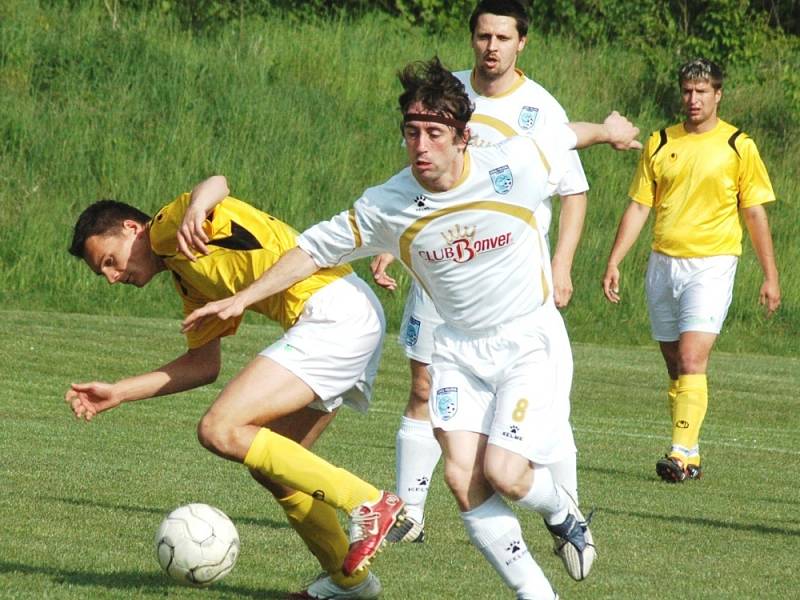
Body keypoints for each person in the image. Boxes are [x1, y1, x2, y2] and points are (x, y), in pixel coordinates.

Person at [180, 58, 641, 598]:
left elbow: (566, 136)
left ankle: (562, 511)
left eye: (435, 133)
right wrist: (241, 298)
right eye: (412, 132)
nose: (421, 146)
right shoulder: (387, 205)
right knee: (462, 479)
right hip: (458, 351)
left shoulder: (513, 164)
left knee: (508, 473)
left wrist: (609, 132)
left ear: (463, 137)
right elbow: (308, 249)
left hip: (528, 342)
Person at [64, 179, 407, 600]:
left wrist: (194, 210)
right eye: (104, 273)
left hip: (332, 312)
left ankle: (368, 502)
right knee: (274, 468)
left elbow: (217, 184)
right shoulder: (188, 279)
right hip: (346, 311)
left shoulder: (166, 229)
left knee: (219, 428)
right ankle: (350, 583)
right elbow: (202, 366)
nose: (113, 277)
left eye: (110, 261)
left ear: (134, 229)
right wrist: (119, 392)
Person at [370, 0, 589, 542]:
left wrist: (561, 263)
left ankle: (565, 508)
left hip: (507, 274)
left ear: (522, 44)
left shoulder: (539, 107)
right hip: (442, 264)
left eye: (503, 37)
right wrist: (393, 240)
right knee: (422, 383)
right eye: (483, 36)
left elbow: (573, 190)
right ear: (472, 39)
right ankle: (411, 512)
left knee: (538, 405)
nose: (492, 46)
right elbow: (424, 163)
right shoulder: (450, 95)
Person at [602, 58, 780, 483]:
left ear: (718, 94)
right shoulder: (661, 142)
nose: (693, 99)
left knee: (691, 357)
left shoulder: (739, 145)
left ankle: (679, 453)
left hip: (713, 263)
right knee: (673, 364)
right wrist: (614, 260)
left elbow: (754, 213)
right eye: (687, 90)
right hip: (663, 263)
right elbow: (640, 206)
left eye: (702, 92)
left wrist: (770, 275)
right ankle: (692, 451)